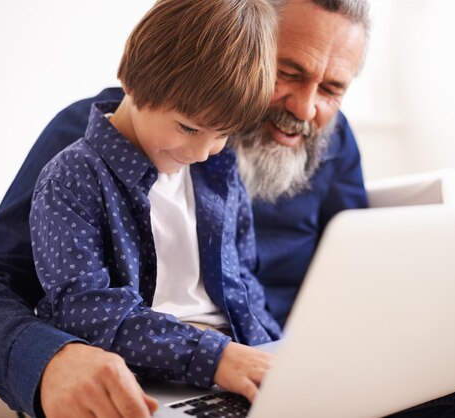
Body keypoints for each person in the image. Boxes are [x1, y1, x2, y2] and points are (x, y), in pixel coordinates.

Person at [0, 1, 455, 418]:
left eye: (331, 89)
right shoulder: (88, 146)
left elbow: (372, 279)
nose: (304, 108)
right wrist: (48, 358)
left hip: (299, 370)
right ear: (234, 46)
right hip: (182, 371)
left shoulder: (329, 143)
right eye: (287, 72)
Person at [28, 0, 282, 405]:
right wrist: (214, 357)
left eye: (222, 134)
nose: (203, 152)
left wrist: (277, 351)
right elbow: (85, 311)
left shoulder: (219, 170)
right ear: (132, 79)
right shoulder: (73, 177)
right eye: (189, 127)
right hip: (149, 378)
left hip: (237, 359)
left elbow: (244, 284)